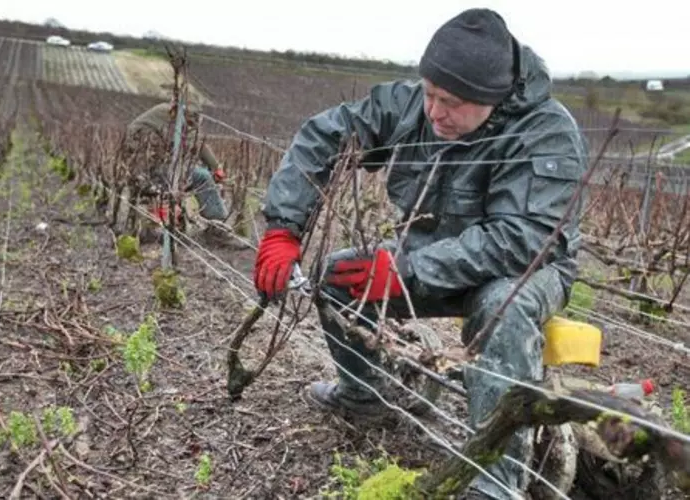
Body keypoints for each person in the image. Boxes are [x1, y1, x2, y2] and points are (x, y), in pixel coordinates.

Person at [252, 8, 588, 500]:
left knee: (503, 307)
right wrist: (284, 228)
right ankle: (365, 396)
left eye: (450, 102)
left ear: (492, 98)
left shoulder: (547, 132)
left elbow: (522, 241)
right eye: (429, 92)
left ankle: (495, 485)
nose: (434, 112)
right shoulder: (413, 106)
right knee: (338, 274)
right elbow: (326, 135)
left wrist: (408, 269)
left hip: (526, 270)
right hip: (426, 251)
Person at [127, 101, 249, 249]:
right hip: (147, 169)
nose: (192, 125)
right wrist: (214, 168)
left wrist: (216, 167)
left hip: (144, 167)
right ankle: (217, 230)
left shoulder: (166, 114)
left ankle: (158, 227)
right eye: (192, 121)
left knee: (191, 173)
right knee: (202, 177)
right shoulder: (171, 118)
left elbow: (196, 142)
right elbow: (193, 143)